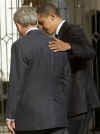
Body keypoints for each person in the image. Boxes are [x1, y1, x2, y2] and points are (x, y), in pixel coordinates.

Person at [6, 6, 71, 134]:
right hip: (57, 118)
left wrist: (10, 115)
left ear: (18, 25)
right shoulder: (58, 44)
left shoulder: (20, 46)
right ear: (36, 22)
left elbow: (16, 82)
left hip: (29, 121)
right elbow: (66, 79)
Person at [36, 3, 100, 134]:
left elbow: (90, 52)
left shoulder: (72, 30)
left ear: (52, 16)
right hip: (71, 103)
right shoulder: (59, 34)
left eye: (42, 23)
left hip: (80, 102)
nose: (41, 28)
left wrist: (69, 46)